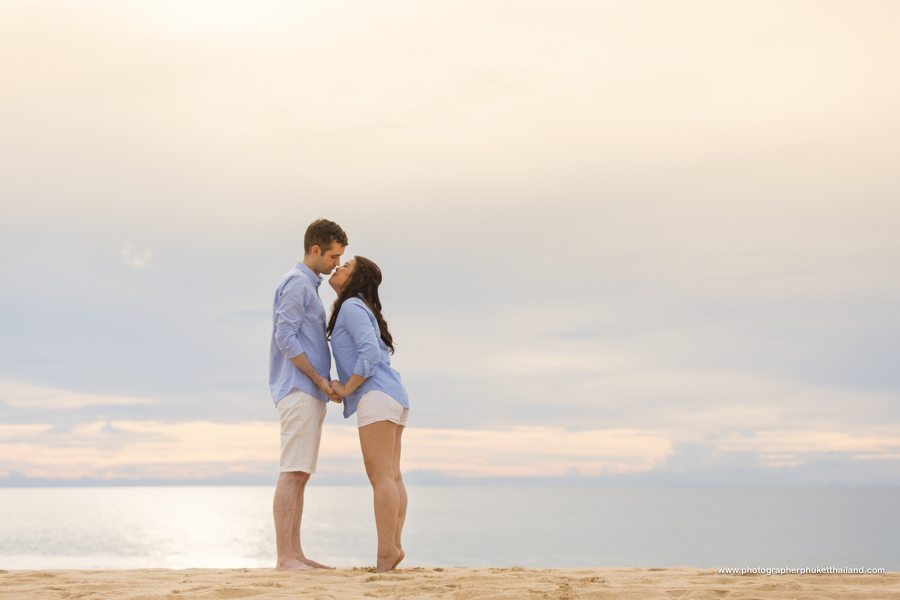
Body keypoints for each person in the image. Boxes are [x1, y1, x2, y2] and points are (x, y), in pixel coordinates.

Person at [269, 218, 347, 571]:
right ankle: (286, 557)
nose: (336, 263)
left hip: (309, 389)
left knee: (301, 473)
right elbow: (285, 338)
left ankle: (296, 554)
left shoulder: (307, 286)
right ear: (315, 250)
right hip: (300, 387)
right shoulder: (296, 283)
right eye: (333, 256)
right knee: (292, 470)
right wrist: (319, 380)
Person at [327, 256, 409, 573]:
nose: (337, 268)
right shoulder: (360, 307)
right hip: (392, 396)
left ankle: (386, 552)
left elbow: (370, 353)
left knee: (382, 477)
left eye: (344, 266)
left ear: (356, 278)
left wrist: (347, 389)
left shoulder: (351, 307)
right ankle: (394, 546)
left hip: (376, 396)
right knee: (392, 475)